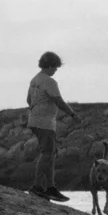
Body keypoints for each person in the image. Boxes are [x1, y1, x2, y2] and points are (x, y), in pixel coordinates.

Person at [26, 50, 72, 202]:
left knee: (50, 153)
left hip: (37, 121)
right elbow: (59, 101)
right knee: (47, 153)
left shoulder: (34, 79)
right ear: (50, 66)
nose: (56, 70)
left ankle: (51, 187)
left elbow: (28, 99)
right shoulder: (49, 81)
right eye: (55, 67)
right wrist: (73, 114)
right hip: (44, 123)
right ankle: (37, 187)